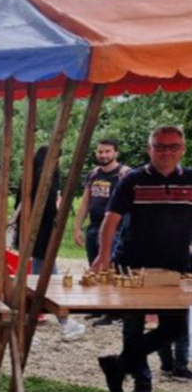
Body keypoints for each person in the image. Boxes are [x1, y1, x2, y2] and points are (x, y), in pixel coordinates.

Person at [93, 126, 192, 392]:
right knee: (133, 326)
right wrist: (104, 256)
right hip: (132, 264)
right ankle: (142, 383)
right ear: (149, 149)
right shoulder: (133, 180)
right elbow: (110, 219)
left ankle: (118, 365)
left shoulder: (190, 179)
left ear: (182, 150)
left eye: (173, 147)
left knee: (175, 327)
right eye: (159, 146)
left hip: (175, 265)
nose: (166, 152)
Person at [14, 145, 85, 342]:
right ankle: (63, 321)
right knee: (46, 278)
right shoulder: (48, 177)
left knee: (42, 276)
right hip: (43, 233)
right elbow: (49, 209)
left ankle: (37, 321)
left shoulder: (30, 175)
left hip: (29, 230)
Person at [72, 138, 130, 327]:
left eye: (107, 151)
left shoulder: (124, 174)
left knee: (110, 268)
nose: (103, 155)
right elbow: (85, 202)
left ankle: (113, 311)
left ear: (116, 153)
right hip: (94, 225)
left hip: (115, 228)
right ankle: (98, 305)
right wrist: (77, 227)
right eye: (100, 152)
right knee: (94, 265)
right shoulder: (93, 174)